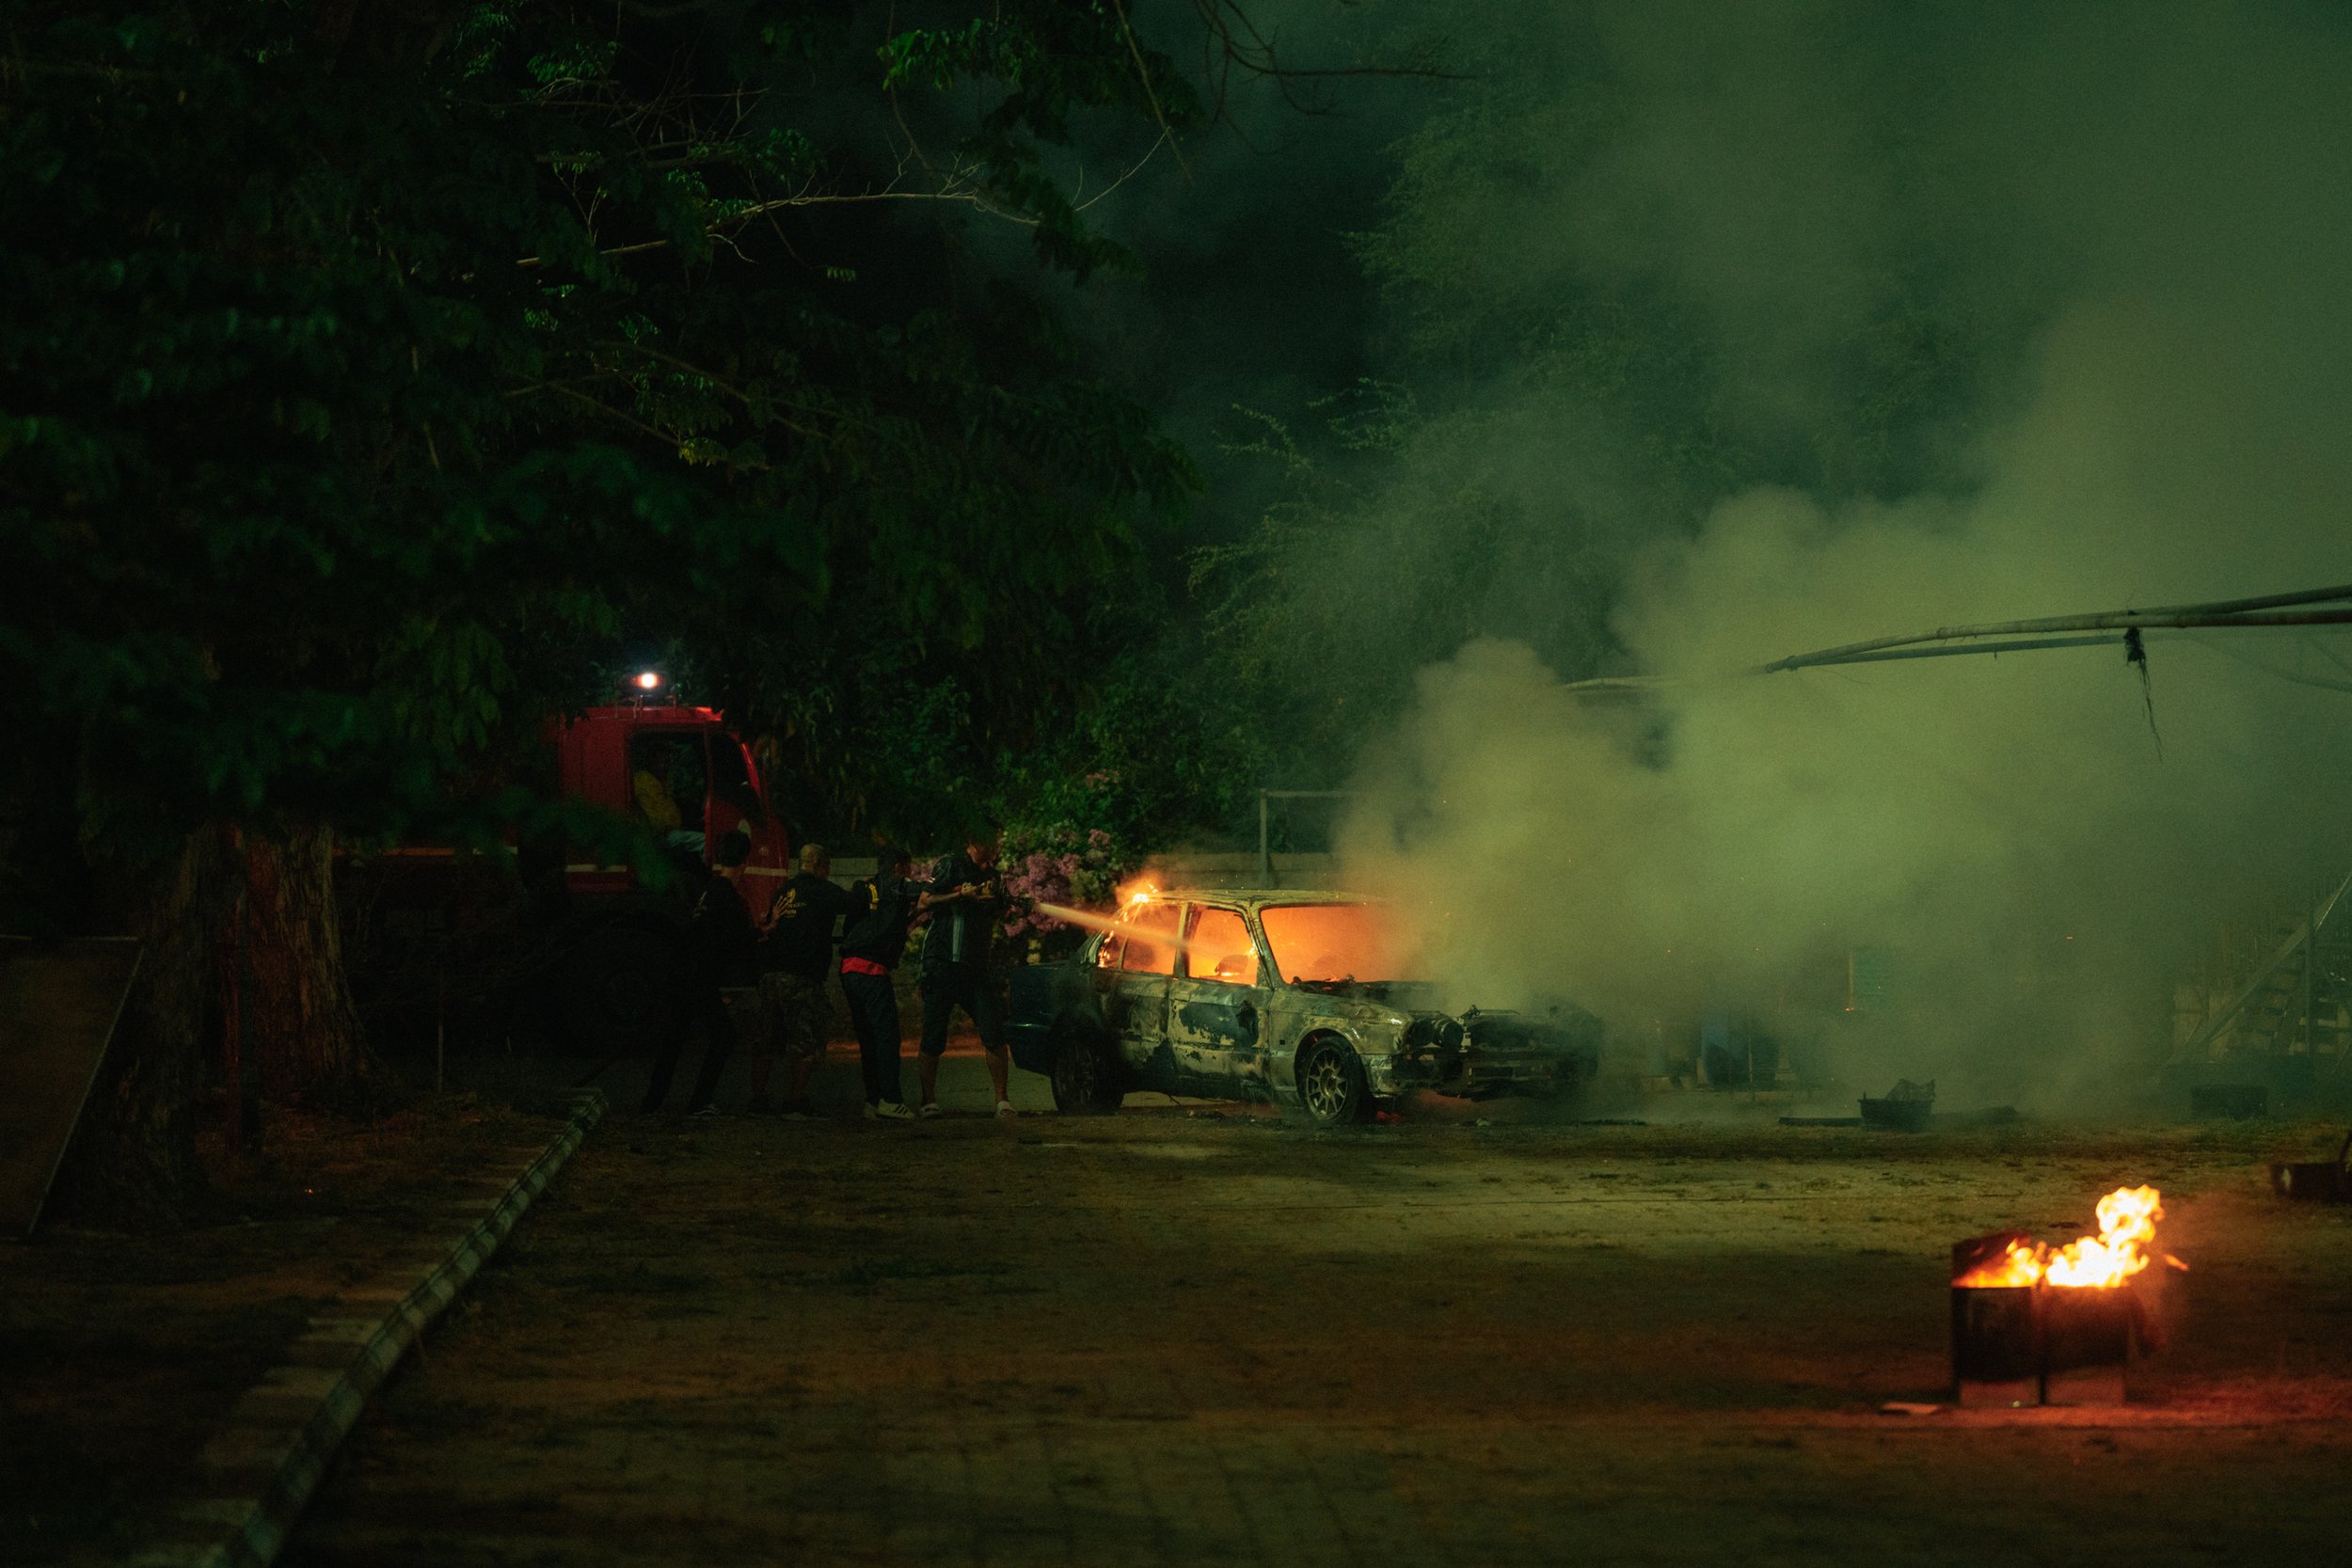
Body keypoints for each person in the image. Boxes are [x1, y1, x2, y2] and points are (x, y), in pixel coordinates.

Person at [641, 832, 757, 1117]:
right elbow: (735, 939)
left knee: (674, 1039)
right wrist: (760, 933)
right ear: (744, 862)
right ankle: (700, 1101)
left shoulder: (708, 892)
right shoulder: (728, 897)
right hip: (701, 979)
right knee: (724, 1036)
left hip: (687, 975)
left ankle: (652, 1102)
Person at [749, 841, 855, 1117]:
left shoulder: (784, 891)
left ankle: (757, 1100)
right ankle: (795, 1102)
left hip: (771, 975)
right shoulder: (822, 890)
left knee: (765, 1040)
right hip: (801, 977)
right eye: (827, 866)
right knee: (805, 1041)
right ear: (819, 864)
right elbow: (853, 903)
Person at [916, 830, 1014, 1119]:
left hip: (976, 970)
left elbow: (997, 912)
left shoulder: (993, 877)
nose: (995, 846)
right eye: (990, 840)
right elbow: (924, 901)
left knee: (994, 1033)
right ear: (973, 841)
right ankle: (928, 1101)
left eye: (997, 841)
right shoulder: (952, 865)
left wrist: (1010, 904)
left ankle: (1002, 1102)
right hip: (942, 964)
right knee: (933, 1036)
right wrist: (961, 894)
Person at [839, 847, 923, 1120]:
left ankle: (872, 1101)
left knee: (868, 1039)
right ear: (898, 868)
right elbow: (923, 890)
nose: (909, 875)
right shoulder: (895, 884)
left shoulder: (867, 888)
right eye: (908, 870)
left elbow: (880, 924)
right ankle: (891, 1100)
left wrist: (915, 914)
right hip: (871, 971)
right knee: (887, 1037)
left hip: (849, 969)